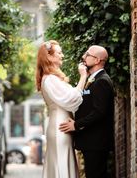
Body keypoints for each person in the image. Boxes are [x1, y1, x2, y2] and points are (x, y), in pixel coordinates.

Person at [59, 45, 115, 178]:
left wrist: (76, 124)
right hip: (90, 141)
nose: (83, 57)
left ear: (97, 60)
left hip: (96, 142)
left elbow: (99, 112)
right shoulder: (93, 79)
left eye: (87, 54)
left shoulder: (102, 81)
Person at [36, 39, 88, 178]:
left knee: (63, 161)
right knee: (61, 162)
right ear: (49, 57)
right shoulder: (50, 79)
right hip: (61, 126)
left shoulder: (51, 78)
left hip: (61, 123)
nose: (62, 55)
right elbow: (73, 99)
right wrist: (83, 76)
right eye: (59, 52)